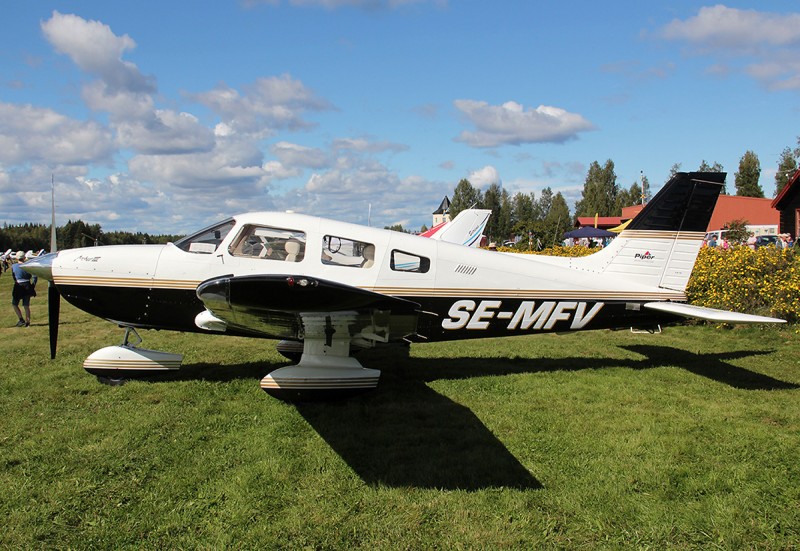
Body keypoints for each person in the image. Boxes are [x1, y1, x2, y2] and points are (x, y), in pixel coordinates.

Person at [11, 251, 37, 327]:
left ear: (16, 258)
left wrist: (16, 281)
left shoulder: (14, 266)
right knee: (26, 305)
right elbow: (35, 277)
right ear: (24, 257)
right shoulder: (28, 266)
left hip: (18, 285)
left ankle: (21, 319)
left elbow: (13, 276)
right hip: (27, 285)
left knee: (14, 304)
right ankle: (28, 322)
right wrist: (33, 285)